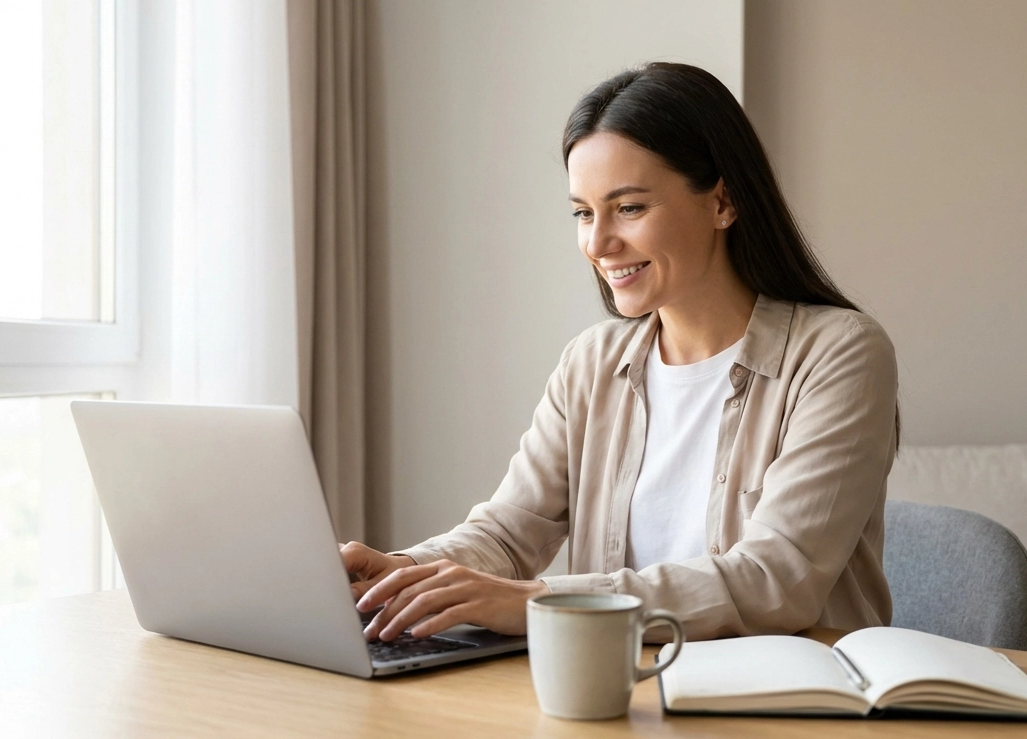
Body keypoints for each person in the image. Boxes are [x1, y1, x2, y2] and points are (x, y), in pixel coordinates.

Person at [343, 62, 899, 644]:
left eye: (629, 208)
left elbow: (776, 581)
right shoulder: (592, 363)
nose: (597, 243)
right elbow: (509, 534)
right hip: (621, 696)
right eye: (583, 212)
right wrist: (401, 574)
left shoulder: (840, 354)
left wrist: (539, 602)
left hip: (794, 711)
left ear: (723, 203)